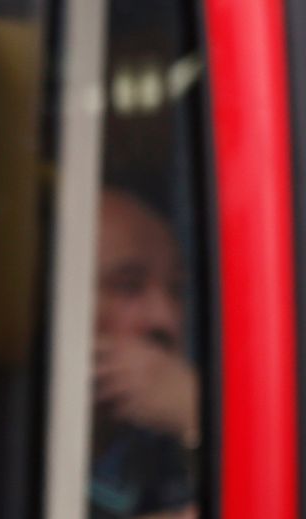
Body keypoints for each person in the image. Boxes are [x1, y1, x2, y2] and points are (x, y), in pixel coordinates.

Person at [90, 189, 199, 519]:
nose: (165, 320)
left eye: (176, 290)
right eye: (128, 286)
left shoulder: (165, 442)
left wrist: (199, 418)